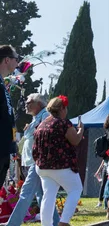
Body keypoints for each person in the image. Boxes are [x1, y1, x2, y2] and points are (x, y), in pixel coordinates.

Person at [4, 94, 60, 226]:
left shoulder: (45, 115)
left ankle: (12, 223)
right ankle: (56, 222)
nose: (26, 104)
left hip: (38, 161)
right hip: (31, 162)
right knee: (41, 196)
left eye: (29, 102)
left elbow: (47, 134)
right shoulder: (36, 118)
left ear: (38, 104)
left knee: (26, 192)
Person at [32, 95, 84, 226]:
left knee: (48, 196)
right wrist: (81, 129)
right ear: (61, 108)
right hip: (61, 166)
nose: (66, 111)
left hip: (43, 167)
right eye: (65, 108)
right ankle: (64, 222)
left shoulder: (41, 125)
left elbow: (35, 147)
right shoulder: (63, 123)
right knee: (76, 189)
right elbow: (75, 140)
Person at [0, 45, 19, 186]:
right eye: (16, 58)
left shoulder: (2, 84)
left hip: (4, 148)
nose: (17, 62)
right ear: (7, 60)